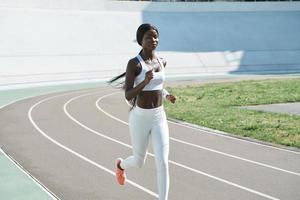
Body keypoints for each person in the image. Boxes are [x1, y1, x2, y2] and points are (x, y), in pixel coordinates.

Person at [109, 23, 176, 200]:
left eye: (155, 36)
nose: (153, 40)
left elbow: (159, 86)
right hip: (140, 118)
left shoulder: (162, 61)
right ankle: (121, 165)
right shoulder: (134, 64)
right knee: (139, 162)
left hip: (159, 117)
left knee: (162, 163)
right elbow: (128, 94)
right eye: (149, 37)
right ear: (141, 41)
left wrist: (167, 95)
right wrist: (144, 82)